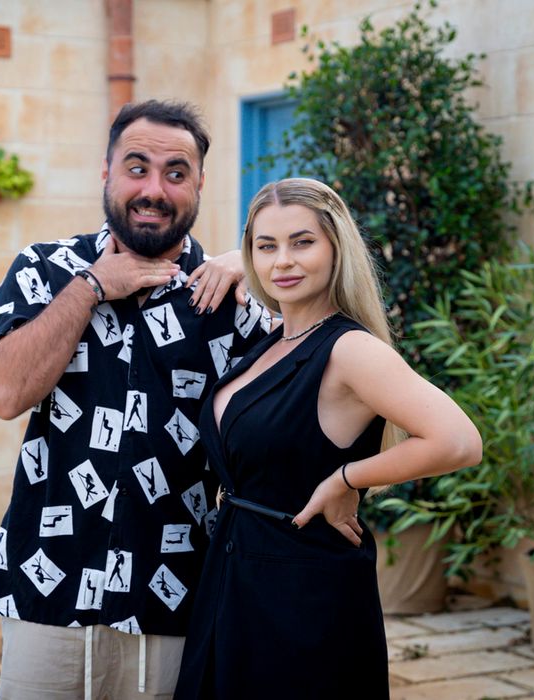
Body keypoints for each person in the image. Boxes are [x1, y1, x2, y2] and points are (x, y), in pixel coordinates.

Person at [0, 100, 270, 700]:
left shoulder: (231, 298)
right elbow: (5, 393)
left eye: (175, 173)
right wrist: (90, 287)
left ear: (199, 184)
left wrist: (260, 261)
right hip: (47, 589)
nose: (154, 190)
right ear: (106, 172)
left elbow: (326, 372)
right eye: (137, 167)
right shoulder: (45, 269)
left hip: (173, 598)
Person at [174, 178, 483, 699]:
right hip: (233, 575)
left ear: (336, 247)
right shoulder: (272, 340)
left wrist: (346, 478)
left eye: (303, 242)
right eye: (267, 246)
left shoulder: (350, 349)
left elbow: (458, 441)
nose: (283, 261)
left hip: (301, 593)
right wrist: (236, 261)